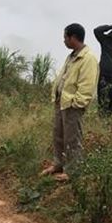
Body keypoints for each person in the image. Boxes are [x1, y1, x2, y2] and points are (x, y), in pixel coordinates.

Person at [41, 23, 99, 181]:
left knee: (72, 138)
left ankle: (72, 171)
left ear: (73, 38)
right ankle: (58, 164)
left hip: (72, 105)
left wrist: (77, 103)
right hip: (62, 102)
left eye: (65, 37)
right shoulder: (72, 56)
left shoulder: (88, 58)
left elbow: (87, 85)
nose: (64, 40)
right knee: (58, 135)